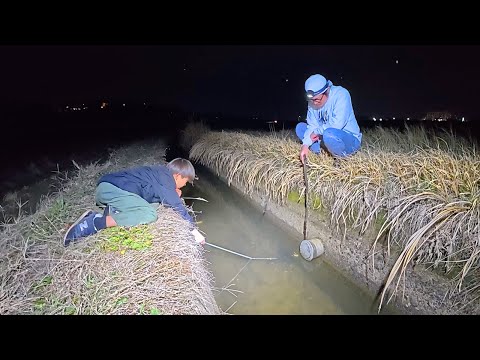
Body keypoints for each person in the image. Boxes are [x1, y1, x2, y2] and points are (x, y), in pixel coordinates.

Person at [63, 157, 206, 246]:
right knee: (149, 214)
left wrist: (173, 194)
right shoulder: (165, 177)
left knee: (154, 206)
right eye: (186, 181)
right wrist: (194, 231)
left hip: (109, 190)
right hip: (111, 190)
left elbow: (162, 200)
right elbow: (176, 206)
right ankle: (94, 222)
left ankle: (111, 212)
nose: (185, 185)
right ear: (178, 176)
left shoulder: (160, 175)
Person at [296, 74, 362, 164]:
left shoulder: (341, 94)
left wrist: (316, 132)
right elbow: (312, 125)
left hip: (346, 138)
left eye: (317, 99)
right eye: (312, 100)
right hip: (324, 137)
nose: (314, 103)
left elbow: (337, 124)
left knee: (329, 134)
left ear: (326, 91)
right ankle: (325, 152)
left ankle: (342, 159)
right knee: (300, 128)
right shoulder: (312, 102)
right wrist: (305, 145)